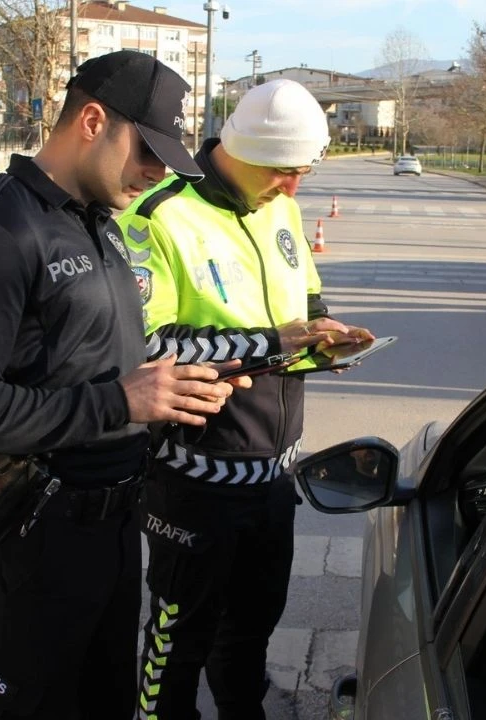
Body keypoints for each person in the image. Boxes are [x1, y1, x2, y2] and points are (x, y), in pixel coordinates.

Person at [0, 50, 239, 720]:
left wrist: (175, 390)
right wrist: (122, 401)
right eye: (147, 152)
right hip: (36, 537)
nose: (156, 172)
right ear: (92, 121)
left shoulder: (99, 221)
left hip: (113, 530)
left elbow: (97, 360)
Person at [120, 78, 373, 720]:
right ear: (245, 150)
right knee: (179, 637)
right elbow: (149, 346)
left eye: (303, 174)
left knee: (254, 625)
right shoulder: (159, 213)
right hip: (194, 478)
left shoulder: (280, 207)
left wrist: (327, 338)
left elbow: (305, 304)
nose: (294, 189)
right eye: (285, 172)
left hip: (274, 471)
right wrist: (270, 342)